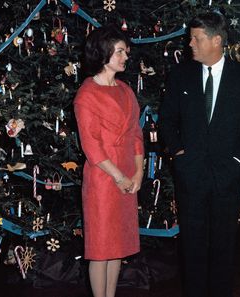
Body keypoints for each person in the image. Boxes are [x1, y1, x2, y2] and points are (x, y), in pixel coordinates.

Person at [159, 12, 240, 297]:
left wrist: (237, 160)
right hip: (190, 175)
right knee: (191, 245)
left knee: (223, 245)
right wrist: (178, 154)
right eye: (190, 37)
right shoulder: (180, 74)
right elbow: (167, 120)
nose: (190, 43)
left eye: (197, 38)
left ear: (217, 40)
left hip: (226, 175)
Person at [73, 25, 144, 297]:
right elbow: (91, 146)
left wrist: (137, 173)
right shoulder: (87, 95)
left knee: (118, 246)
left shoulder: (126, 90)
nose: (125, 56)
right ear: (103, 55)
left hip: (128, 175)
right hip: (104, 180)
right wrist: (120, 177)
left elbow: (137, 135)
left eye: (125, 51)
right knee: (101, 249)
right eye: (119, 52)